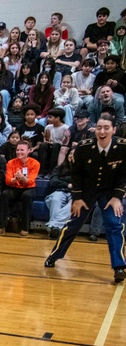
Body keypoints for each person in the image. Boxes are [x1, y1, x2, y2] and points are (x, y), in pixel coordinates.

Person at [45, 113, 126, 283]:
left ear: (113, 130)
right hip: (86, 192)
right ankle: (54, 255)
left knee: (114, 225)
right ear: (94, 130)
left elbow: (123, 174)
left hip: (109, 193)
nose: (102, 131)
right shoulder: (83, 147)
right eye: (99, 128)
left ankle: (119, 266)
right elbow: (76, 174)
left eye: (106, 128)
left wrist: (117, 196)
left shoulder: (122, 147)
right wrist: (77, 198)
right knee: (73, 224)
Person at [0, 140, 40, 235]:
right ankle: (0, 226)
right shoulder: (10, 163)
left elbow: (31, 181)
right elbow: (8, 181)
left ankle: (25, 227)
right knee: (4, 194)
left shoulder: (35, 163)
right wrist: (15, 179)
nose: (19, 152)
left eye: (22, 150)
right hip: (14, 187)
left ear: (29, 151)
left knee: (27, 196)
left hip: (29, 188)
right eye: (17, 150)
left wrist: (23, 178)